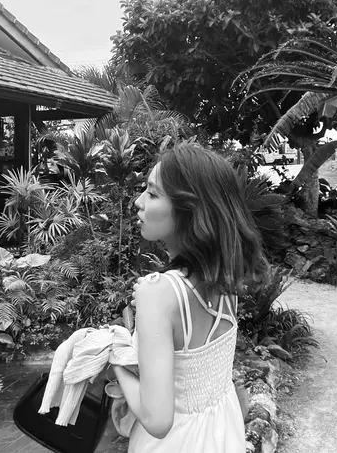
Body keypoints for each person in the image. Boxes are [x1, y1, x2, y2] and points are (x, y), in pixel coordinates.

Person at [111, 141, 268, 453]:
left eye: (152, 193)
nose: (138, 202)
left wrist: (114, 357)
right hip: (223, 434)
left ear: (190, 210)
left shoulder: (158, 292)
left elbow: (157, 420)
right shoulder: (225, 280)